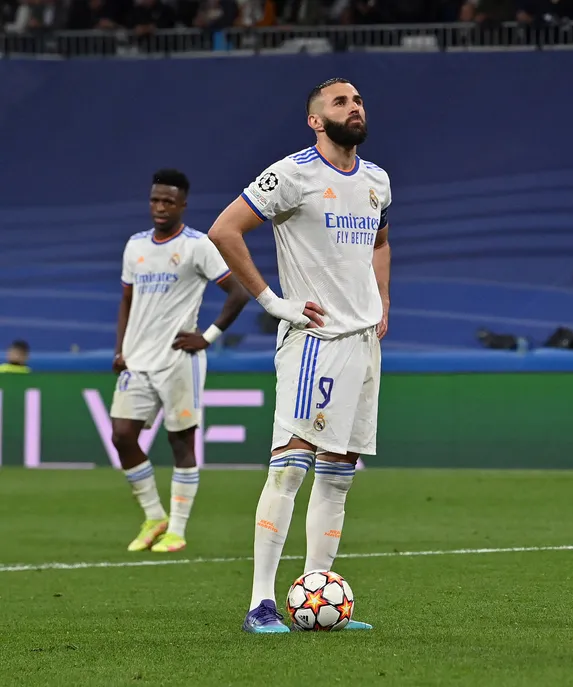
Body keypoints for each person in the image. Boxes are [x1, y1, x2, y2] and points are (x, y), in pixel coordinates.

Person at [207, 78, 391, 634]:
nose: (353, 108)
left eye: (357, 100)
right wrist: (271, 302)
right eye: (340, 102)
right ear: (316, 120)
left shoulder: (377, 179)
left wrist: (382, 303)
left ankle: (316, 594)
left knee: (338, 475)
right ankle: (261, 602)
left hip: (362, 344)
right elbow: (224, 230)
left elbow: (380, 241)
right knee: (290, 468)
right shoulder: (292, 174)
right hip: (316, 342)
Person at [112, 169, 250, 554]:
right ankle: (154, 516)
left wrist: (206, 337)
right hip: (137, 361)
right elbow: (126, 300)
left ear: (183, 205)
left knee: (180, 442)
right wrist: (120, 349)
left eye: (168, 201)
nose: (160, 207)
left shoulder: (198, 245)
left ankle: (178, 529)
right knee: (121, 436)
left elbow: (237, 293)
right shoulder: (135, 245)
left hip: (178, 360)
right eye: (155, 199)